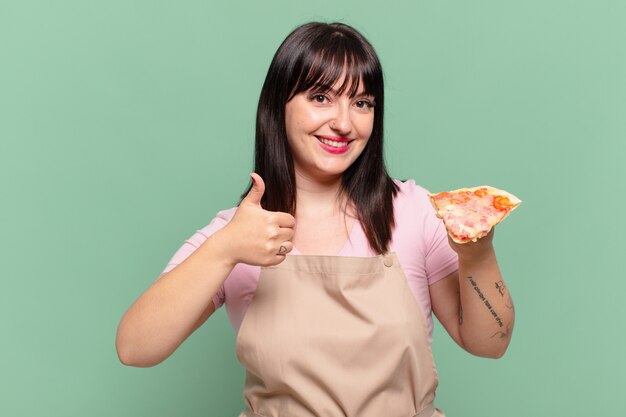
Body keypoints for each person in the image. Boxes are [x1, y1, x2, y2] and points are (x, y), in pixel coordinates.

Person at [116, 22, 515, 417]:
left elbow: (489, 344)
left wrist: (478, 254)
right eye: (321, 97)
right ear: (278, 106)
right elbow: (135, 348)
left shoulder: (413, 211)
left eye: (362, 103)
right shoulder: (238, 233)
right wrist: (224, 250)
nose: (344, 123)